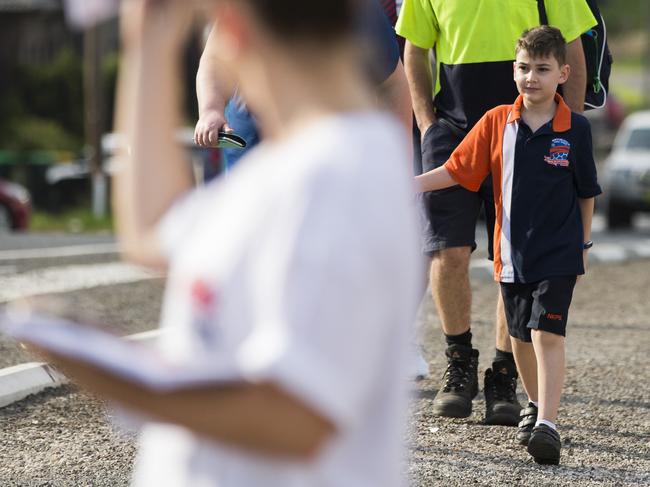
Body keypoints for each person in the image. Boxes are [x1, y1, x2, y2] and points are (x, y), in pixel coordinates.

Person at [35, 0, 422, 485]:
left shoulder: (338, 173)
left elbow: (298, 419)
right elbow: (153, 229)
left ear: (233, 32)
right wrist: (150, 39)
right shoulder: (300, 164)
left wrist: (131, 383)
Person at [396, 0, 597, 425]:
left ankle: (504, 373)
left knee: (519, 253)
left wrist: (569, 128)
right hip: (452, 126)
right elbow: (414, 49)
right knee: (447, 250)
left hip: (530, 126)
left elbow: (573, 49)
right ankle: (459, 361)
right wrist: (427, 122)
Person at [194, 0, 413, 171]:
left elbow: (395, 87)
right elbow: (212, 59)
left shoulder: (355, 11)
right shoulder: (243, 9)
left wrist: (400, 170)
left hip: (329, 162)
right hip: (248, 159)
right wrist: (210, 110)